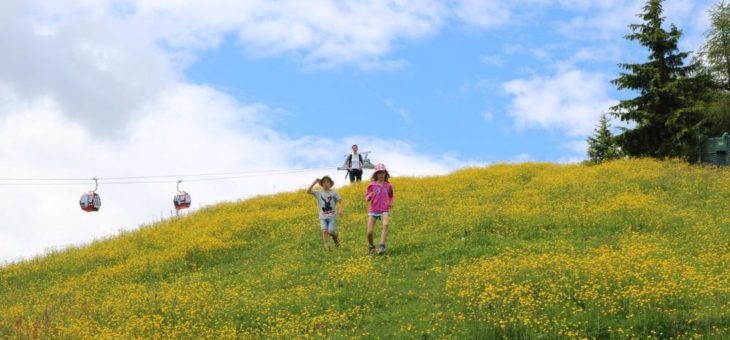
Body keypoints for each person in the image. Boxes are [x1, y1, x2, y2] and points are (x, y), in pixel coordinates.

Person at [308, 176, 344, 251]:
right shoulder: (318, 193)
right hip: (322, 216)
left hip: (332, 216)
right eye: (324, 182)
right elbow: (308, 191)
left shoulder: (334, 193)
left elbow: (341, 201)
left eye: (327, 182)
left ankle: (335, 236)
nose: (325, 184)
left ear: (330, 183)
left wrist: (341, 210)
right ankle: (326, 246)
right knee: (324, 231)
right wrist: (314, 183)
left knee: (330, 232)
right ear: (321, 184)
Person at [365, 163, 394, 255]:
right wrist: (370, 196)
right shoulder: (372, 185)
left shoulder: (388, 186)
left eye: (383, 172)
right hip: (373, 210)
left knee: (386, 225)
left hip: (384, 210)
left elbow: (391, 196)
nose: (381, 174)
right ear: (376, 174)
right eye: (379, 172)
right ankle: (371, 246)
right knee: (369, 232)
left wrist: (391, 202)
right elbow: (366, 197)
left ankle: (382, 245)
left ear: (385, 173)